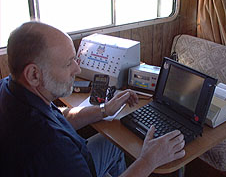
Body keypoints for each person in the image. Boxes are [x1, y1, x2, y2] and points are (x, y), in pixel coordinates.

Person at [0, 21, 185, 177]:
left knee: (112, 144)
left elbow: (58, 117)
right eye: (68, 63)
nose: (77, 69)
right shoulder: (49, 148)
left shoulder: (9, 87)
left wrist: (105, 110)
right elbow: (51, 138)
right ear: (34, 75)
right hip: (69, 162)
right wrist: (148, 161)